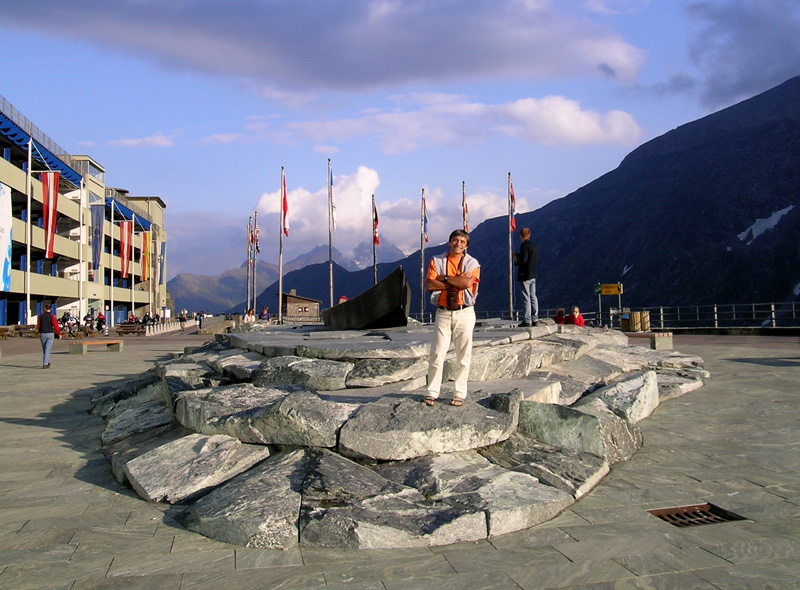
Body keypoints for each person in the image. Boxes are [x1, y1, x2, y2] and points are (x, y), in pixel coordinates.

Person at [424, 229, 480, 407]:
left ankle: (459, 393)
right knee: (437, 354)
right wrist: (455, 280)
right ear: (449, 242)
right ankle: (432, 392)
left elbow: (467, 284)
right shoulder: (437, 260)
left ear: (466, 246)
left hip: (465, 312)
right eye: (455, 240)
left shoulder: (472, 263)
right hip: (443, 313)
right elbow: (430, 285)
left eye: (462, 242)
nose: (458, 244)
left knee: (463, 355)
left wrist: (445, 278)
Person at [513, 227, 538, 327]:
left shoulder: (524, 246)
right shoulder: (534, 245)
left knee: (526, 297)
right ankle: (535, 319)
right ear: (529, 235)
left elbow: (523, 260)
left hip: (525, 275)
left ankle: (527, 320)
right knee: (533, 296)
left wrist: (517, 257)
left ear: (521, 236)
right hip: (533, 274)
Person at [36, 304, 61, 369]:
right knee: (48, 349)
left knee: (45, 349)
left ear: (45, 309)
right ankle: (45, 363)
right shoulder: (52, 316)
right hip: (50, 333)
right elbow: (56, 326)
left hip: (42, 333)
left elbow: (38, 325)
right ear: (51, 309)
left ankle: (48, 361)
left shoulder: (41, 316)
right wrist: (58, 334)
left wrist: (39, 331)